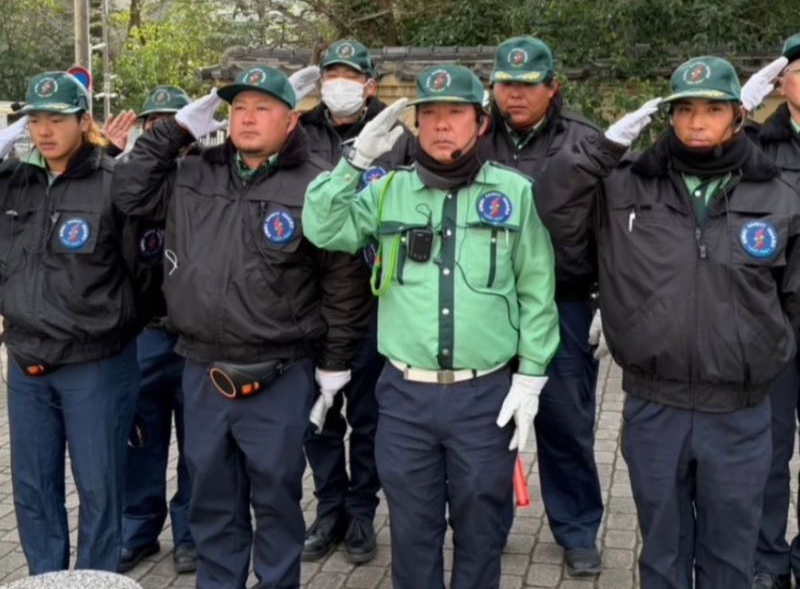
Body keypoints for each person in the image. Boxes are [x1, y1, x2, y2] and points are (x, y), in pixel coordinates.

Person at [538, 55, 800, 589]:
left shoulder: (777, 193)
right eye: (684, 109)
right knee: (661, 554)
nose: (697, 122)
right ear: (670, 115)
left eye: (712, 109)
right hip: (654, 407)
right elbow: (550, 207)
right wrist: (601, 151)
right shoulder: (626, 185)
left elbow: (793, 297)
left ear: (738, 115)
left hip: (740, 412)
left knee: (731, 558)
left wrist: (759, 351)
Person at [111, 65, 372, 588]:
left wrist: (335, 363)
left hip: (280, 369)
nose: (248, 119)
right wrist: (175, 131)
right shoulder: (193, 172)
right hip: (202, 366)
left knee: (275, 495)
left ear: (291, 120)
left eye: (263, 108)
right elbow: (128, 192)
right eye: (239, 109)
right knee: (211, 496)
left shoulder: (317, 180)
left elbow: (342, 282)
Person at [303, 64, 559, 589]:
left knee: (481, 531)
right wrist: (354, 162)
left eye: (456, 113)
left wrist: (532, 375)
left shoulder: (514, 192)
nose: (442, 125)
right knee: (413, 534)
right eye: (431, 114)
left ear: (480, 123)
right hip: (405, 398)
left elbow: (536, 289)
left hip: (484, 398)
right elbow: (323, 228)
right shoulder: (386, 191)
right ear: (417, 124)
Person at [0, 70, 141, 573]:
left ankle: (95, 579)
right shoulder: (13, 183)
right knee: (33, 487)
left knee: (100, 487)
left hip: (95, 364)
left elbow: (144, 275)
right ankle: (46, 579)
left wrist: (112, 323)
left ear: (84, 122)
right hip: (27, 363)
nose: (44, 130)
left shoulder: (114, 182)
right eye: (35, 119)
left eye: (57, 119)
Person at [480, 35, 604, 575]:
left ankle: (577, 529)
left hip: (563, 303)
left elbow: (610, 228)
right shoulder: (474, 136)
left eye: (528, 84)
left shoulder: (585, 141)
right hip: (486, 304)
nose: (516, 94)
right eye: (506, 83)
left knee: (564, 421)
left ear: (553, 87)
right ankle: (487, 526)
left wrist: (607, 302)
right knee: (485, 424)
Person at [298, 38, 414, 564]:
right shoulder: (298, 134)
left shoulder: (397, 139)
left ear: (369, 85)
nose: (339, 85)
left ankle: (363, 510)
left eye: (350, 76)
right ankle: (329, 508)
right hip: (305, 303)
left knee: (370, 419)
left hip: (373, 305)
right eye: (331, 75)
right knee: (318, 420)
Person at [109, 86, 198, 575]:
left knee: (198, 444)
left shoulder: (205, 177)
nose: (162, 130)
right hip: (144, 334)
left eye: (172, 121)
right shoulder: (127, 183)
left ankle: (191, 533)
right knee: (140, 439)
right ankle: (139, 528)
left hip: (194, 337)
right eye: (154, 123)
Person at [743, 34, 800, 589]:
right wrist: (738, 111)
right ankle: (767, 559)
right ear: (781, 82)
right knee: (770, 447)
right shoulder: (758, 145)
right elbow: (699, 152)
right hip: (776, 321)